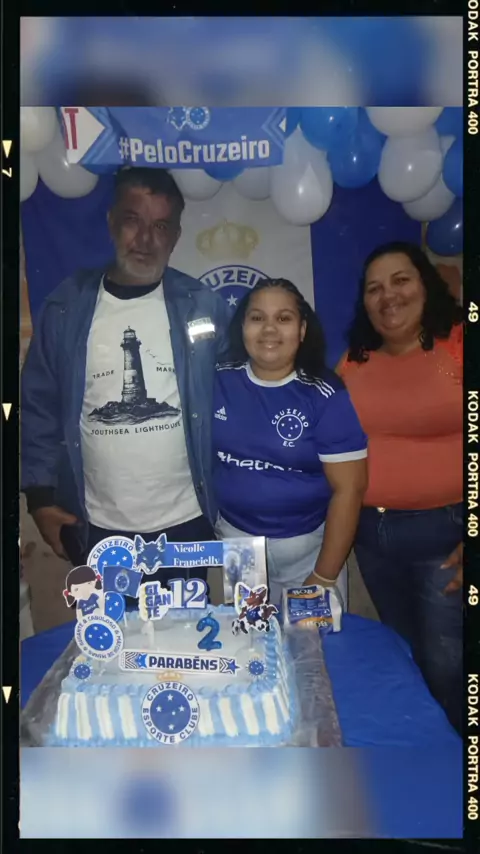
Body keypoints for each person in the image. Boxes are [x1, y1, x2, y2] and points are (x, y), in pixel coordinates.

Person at [21, 167, 232, 586]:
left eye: (161, 226)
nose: (146, 239)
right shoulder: (66, 307)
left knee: (186, 628)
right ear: (111, 222)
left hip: (188, 522)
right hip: (97, 527)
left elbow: (236, 400)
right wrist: (39, 498)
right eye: (133, 220)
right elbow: (38, 405)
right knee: (110, 628)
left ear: (175, 236)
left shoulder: (204, 306)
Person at [338, 241, 463, 734]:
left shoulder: (458, 344)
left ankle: (459, 765)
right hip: (373, 540)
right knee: (404, 663)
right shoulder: (355, 362)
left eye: (401, 280)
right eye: (374, 288)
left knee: (448, 669)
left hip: (445, 540)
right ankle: (424, 760)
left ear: (425, 285)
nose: (388, 295)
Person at [213, 278, 368, 608]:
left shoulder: (325, 394)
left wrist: (324, 576)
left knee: (310, 638)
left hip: (307, 553)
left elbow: (350, 489)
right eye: (257, 317)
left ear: (302, 330)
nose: (269, 329)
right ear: (242, 327)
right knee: (250, 634)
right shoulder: (217, 378)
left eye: (283, 318)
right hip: (238, 545)